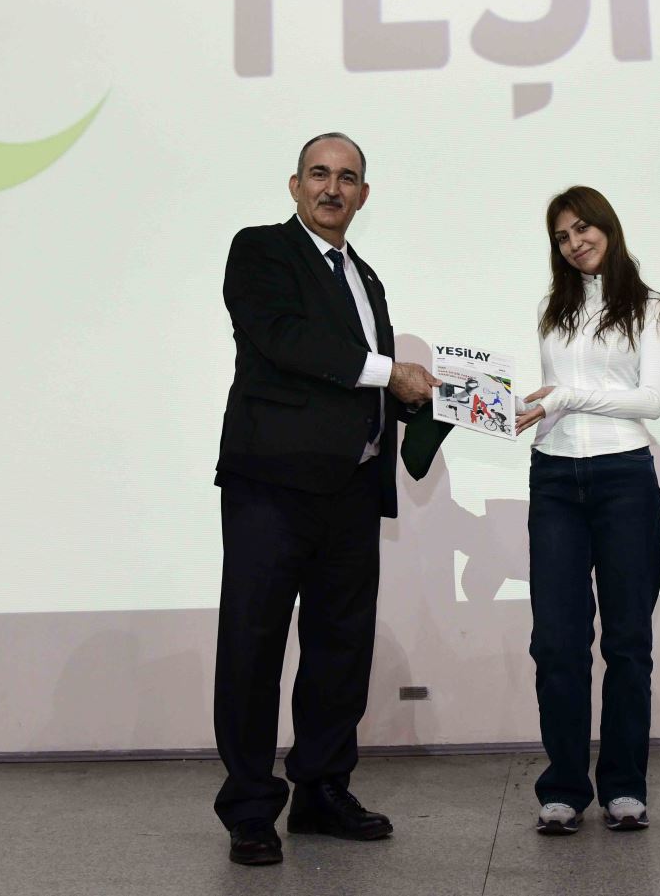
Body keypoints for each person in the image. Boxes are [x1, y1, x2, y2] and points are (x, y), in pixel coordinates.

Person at [212, 132, 439, 866]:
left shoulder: (366, 278)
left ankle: (320, 789)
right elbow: (288, 341)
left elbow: (365, 385)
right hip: (272, 487)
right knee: (253, 646)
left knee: (341, 649)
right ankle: (251, 808)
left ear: (363, 196)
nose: (332, 187)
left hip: (351, 490)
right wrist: (390, 373)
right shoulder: (260, 251)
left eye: (347, 178)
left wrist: (437, 401)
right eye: (319, 173)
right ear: (295, 184)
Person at [515, 186, 660, 836]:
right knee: (556, 643)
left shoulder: (649, 306)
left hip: (624, 476)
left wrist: (565, 397)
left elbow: (650, 400)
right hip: (554, 476)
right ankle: (563, 788)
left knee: (628, 641)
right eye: (562, 235)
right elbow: (555, 395)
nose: (575, 242)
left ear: (607, 226)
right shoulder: (552, 308)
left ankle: (625, 787)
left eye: (583, 228)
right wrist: (514, 406)